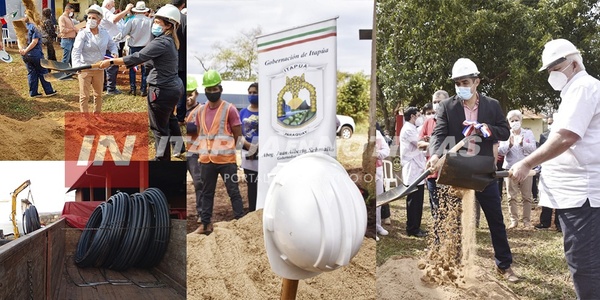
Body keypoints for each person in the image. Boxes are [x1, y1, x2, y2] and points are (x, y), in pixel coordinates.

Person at [510, 38, 600, 298]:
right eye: (547, 69)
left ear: (573, 63)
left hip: (583, 197)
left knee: (585, 266)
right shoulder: (574, 90)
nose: (550, 74)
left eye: (554, 67)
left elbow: (566, 138)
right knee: (587, 260)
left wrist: (528, 162)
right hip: (577, 196)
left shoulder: (583, 87)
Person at [428, 58, 518, 282]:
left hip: (483, 170)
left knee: (495, 218)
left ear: (477, 81)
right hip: (457, 170)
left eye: (465, 81)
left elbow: (504, 132)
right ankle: (454, 261)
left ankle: (504, 265)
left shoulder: (492, 105)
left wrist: (487, 129)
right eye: (457, 83)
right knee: (453, 219)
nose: (461, 87)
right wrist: (436, 154)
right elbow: (439, 134)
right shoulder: (448, 106)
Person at [99, 4, 182, 160]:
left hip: (161, 90)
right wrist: (134, 63)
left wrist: (111, 62)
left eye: (158, 22)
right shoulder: (170, 41)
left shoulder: (161, 42)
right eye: (155, 21)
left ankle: (161, 161)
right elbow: (150, 60)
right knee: (168, 121)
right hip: (172, 88)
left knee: (159, 128)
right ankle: (174, 151)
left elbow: (137, 57)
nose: (154, 25)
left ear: (168, 25)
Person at [192, 70, 251, 235]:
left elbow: (238, 135)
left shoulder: (230, 109)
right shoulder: (200, 111)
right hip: (206, 160)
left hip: (226, 160)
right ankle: (205, 224)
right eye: (208, 89)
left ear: (220, 89)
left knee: (233, 192)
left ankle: (240, 222)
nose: (211, 92)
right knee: (206, 194)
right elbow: (200, 133)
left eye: (214, 88)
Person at [72, 5, 118, 113]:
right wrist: (77, 65)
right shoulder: (83, 33)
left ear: (99, 20)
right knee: (84, 96)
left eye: (94, 18)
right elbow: (76, 50)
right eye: (89, 18)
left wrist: (114, 52)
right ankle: (85, 118)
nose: (90, 20)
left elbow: (112, 44)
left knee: (98, 94)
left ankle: (97, 115)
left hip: (99, 68)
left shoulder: (104, 32)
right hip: (85, 68)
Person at [498, 110, 536, 229]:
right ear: (508, 122)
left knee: (527, 197)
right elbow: (500, 151)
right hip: (510, 169)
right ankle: (514, 220)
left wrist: (522, 144)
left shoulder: (528, 133)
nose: (514, 122)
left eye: (516, 120)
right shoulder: (506, 135)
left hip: (526, 169)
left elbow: (533, 149)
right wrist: (509, 145)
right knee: (511, 197)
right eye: (512, 120)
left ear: (521, 121)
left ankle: (526, 221)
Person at [418, 90, 448, 219]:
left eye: (439, 102)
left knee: (448, 204)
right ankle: (437, 234)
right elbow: (419, 143)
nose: (436, 105)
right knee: (435, 204)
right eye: (434, 102)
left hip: (449, 170)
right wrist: (434, 144)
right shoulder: (428, 122)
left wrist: (432, 142)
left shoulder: (454, 120)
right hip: (432, 171)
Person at [400, 107, 427, 238]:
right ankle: (412, 228)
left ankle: (416, 226)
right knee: (414, 200)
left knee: (418, 200)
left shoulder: (412, 129)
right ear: (412, 116)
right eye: (418, 115)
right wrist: (431, 141)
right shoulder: (408, 129)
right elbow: (419, 144)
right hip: (412, 167)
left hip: (417, 167)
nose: (420, 117)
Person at [100, 0, 134, 94]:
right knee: (112, 65)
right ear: (108, 5)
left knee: (105, 66)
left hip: (108, 42)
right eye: (113, 4)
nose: (114, 6)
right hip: (109, 44)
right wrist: (126, 10)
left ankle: (104, 85)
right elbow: (114, 19)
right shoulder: (105, 11)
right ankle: (110, 88)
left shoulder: (103, 11)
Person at [119, 1, 152, 96]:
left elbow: (124, 33)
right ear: (145, 11)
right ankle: (143, 89)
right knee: (145, 69)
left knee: (133, 68)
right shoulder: (149, 21)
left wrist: (115, 39)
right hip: (146, 47)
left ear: (136, 11)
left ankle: (132, 88)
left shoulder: (131, 21)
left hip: (133, 47)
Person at [19, 14, 56, 98]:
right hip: (34, 54)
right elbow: (34, 42)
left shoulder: (23, 27)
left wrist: (22, 50)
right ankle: (49, 91)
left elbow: (19, 39)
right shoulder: (35, 27)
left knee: (31, 73)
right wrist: (26, 50)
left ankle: (33, 92)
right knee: (43, 72)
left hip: (25, 55)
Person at [534, 116, 560, 231]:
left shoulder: (562, 135)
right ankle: (545, 222)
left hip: (560, 170)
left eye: (553, 122)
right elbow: (540, 153)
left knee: (560, 197)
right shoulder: (543, 136)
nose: (551, 124)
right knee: (547, 196)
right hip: (547, 169)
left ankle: (559, 224)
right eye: (549, 123)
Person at [184, 75, 203, 223]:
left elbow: (196, 128)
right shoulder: (178, 108)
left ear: (196, 93)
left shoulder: (201, 109)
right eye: (185, 94)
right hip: (179, 151)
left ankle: (201, 213)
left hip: (195, 151)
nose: (188, 98)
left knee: (198, 182)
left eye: (190, 94)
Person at [239, 82, 259, 212]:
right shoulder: (242, 112)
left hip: (263, 153)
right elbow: (238, 134)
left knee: (263, 183)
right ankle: (252, 211)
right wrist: (249, 146)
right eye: (250, 92)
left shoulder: (267, 112)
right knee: (251, 185)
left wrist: (257, 147)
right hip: (247, 152)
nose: (252, 95)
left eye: (255, 93)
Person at [376, 123, 391, 240]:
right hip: (366, 172)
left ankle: (378, 226)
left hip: (377, 170)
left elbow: (387, 150)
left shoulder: (377, 135)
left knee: (379, 200)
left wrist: (378, 154)